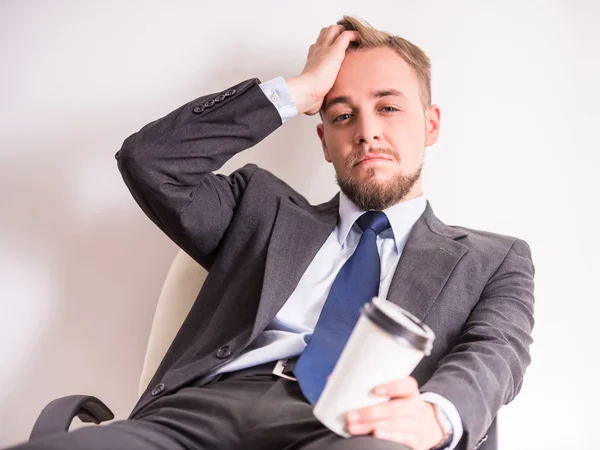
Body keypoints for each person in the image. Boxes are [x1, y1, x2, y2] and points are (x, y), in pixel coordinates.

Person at [10, 15, 535, 450]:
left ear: (432, 124)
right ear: (323, 140)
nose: (368, 130)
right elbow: (150, 163)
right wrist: (298, 90)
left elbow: (495, 352)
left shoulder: (494, 258)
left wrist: (436, 414)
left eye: (389, 107)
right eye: (342, 114)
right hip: (196, 417)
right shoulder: (260, 209)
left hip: (355, 428)